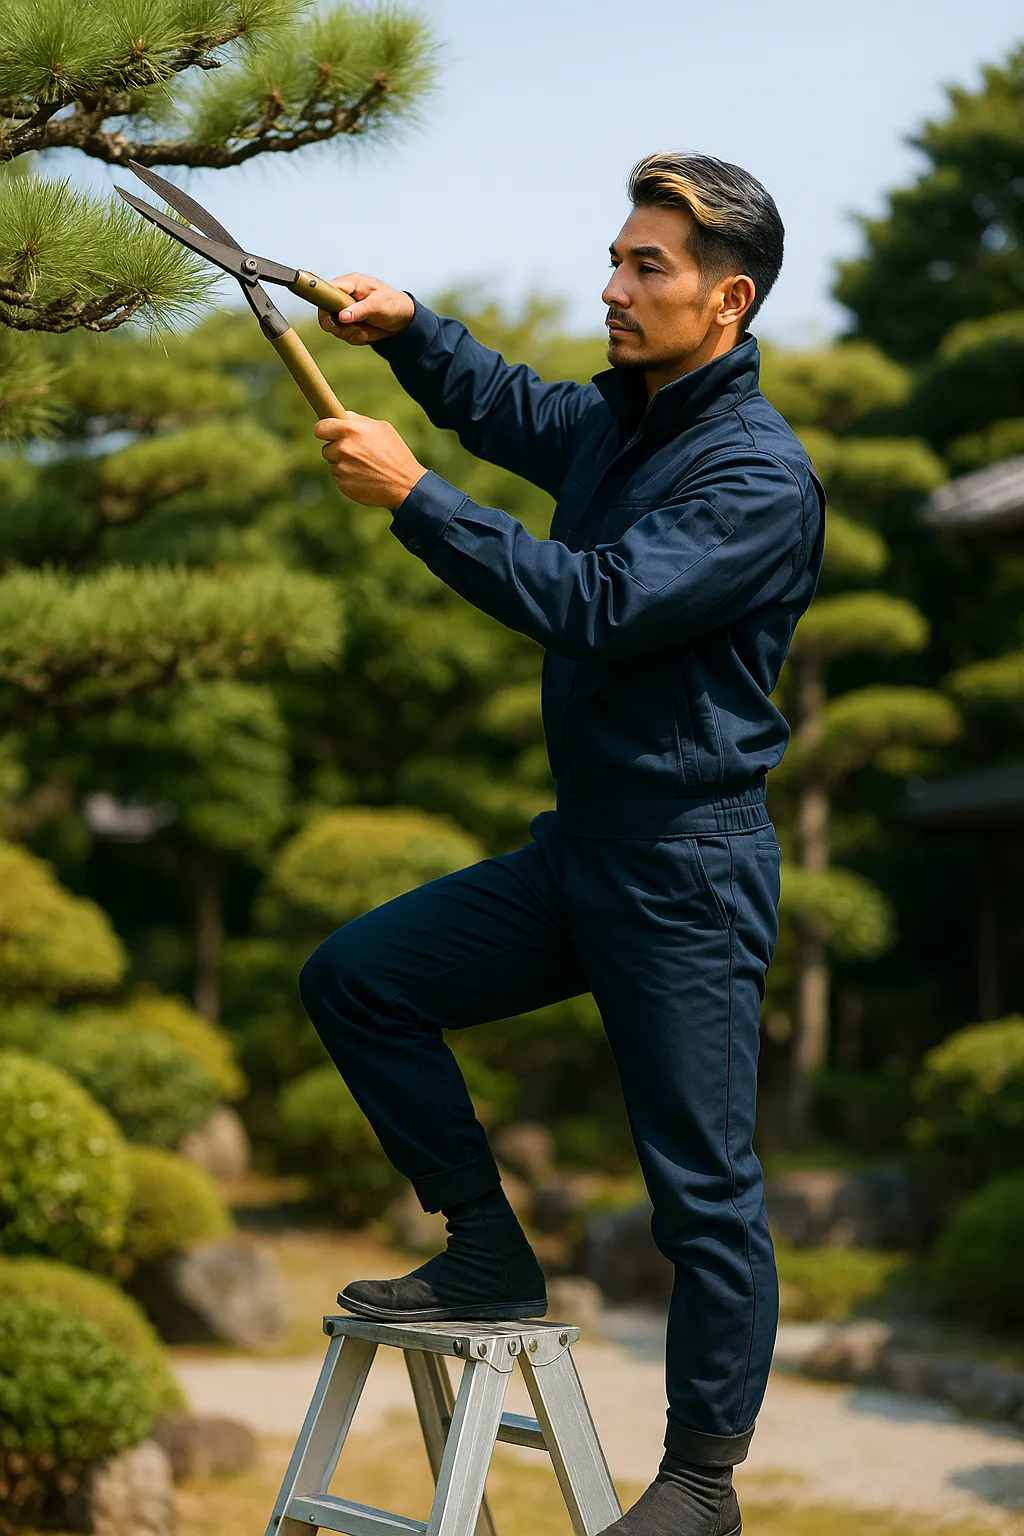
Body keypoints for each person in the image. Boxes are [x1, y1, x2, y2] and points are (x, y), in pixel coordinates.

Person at [300, 151, 825, 1536]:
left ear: (728, 301)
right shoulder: (621, 420)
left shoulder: (757, 477)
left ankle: (702, 1481)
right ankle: (485, 1250)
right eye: (616, 260)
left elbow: (595, 605)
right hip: (583, 851)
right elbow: (516, 408)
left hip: (689, 868)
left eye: (649, 268)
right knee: (359, 979)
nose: (615, 288)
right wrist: (410, 330)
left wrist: (414, 498)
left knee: (700, 1192)